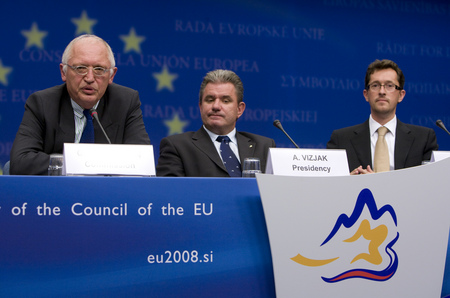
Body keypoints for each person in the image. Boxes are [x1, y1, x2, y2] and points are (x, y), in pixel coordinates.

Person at [10, 34, 150, 175]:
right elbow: (20, 162)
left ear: (111, 76)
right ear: (63, 72)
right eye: (81, 68)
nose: (89, 78)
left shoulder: (126, 102)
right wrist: (75, 164)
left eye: (99, 69)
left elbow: (142, 163)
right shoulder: (42, 103)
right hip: (57, 193)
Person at [156, 69, 275, 177]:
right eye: (210, 100)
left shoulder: (264, 146)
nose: (216, 106)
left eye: (225, 101)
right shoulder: (177, 146)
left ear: (239, 109)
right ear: (200, 106)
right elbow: (170, 196)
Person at [327, 59, 438, 175]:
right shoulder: (341, 140)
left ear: (401, 95)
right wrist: (350, 181)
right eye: (375, 85)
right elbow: (330, 186)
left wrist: (376, 184)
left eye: (390, 86)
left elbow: (430, 184)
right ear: (366, 94)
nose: (382, 91)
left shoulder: (423, 139)